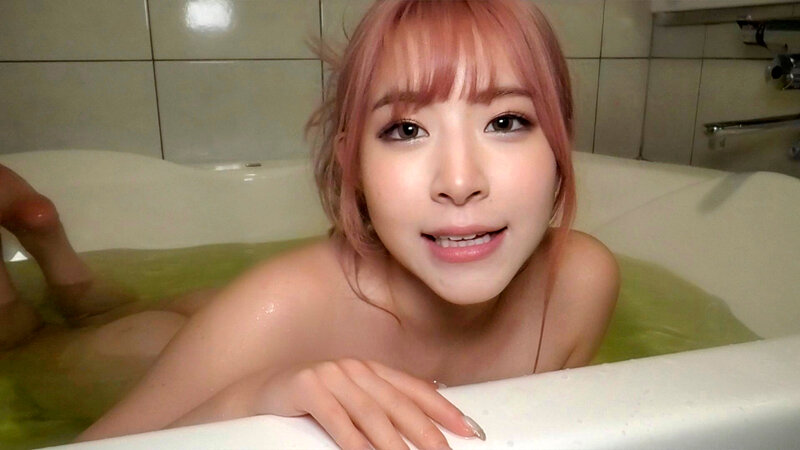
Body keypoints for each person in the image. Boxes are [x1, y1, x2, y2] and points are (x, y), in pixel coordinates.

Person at [4, 1, 620, 448]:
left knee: (206, 320)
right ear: (353, 164)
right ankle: (46, 270)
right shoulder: (276, 308)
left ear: (559, 143)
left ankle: (76, 279)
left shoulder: (581, 282)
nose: (459, 182)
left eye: (507, 122)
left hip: (286, 312)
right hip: (225, 331)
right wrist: (250, 401)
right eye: (406, 129)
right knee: (35, 348)